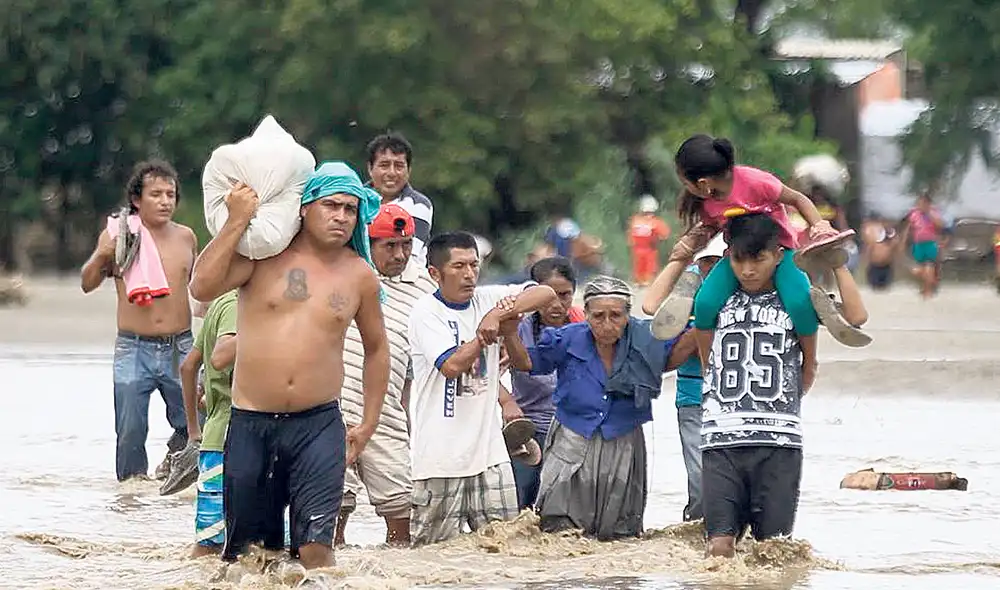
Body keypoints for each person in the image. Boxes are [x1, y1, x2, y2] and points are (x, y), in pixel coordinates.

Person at [188, 161, 391, 569]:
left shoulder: (359, 276)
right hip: (251, 423)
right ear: (304, 207)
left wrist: (368, 425)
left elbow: (377, 348)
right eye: (331, 206)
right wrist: (236, 221)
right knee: (251, 556)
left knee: (317, 550)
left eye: (350, 209)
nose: (341, 217)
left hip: (318, 426)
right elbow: (201, 286)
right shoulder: (263, 256)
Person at [642, 134, 862, 371]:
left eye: (686, 184)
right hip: (735, 257)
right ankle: (710, 367)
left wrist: (818, 227)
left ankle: (809, 363)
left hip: (780, 253)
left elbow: (798, 199)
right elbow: (713, 225)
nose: (686, 191)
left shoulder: (756, 182)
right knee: (705, 304)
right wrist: (690, 243)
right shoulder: (708, 202)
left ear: (703, 183)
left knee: (799, 303)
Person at [406, 231, 558, 546]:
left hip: (491, 454)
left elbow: (544, 293)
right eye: (459, 266)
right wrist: (483, 335)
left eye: (474, 265)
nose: (469, 274)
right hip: (440, 458)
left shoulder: (488, 298)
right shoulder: (425, 313)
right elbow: (451, 367)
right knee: (432, 554)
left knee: (506, 546)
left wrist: (498, 314)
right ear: (435, 273)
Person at [521, 276, 688, 540]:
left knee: (620, 533)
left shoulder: (648, 338)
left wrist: (703, 320)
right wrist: (508, 331)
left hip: (623, 439)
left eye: (616, 316)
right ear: (585, 314)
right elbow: (529, 364)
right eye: (598, 316)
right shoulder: (566, 338)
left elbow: (672, 357)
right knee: (558, 529)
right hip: (572, 438)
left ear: (627, 315)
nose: (607, 325)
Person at [700, 212, 811, 558]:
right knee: (719, 547)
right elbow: (705, 350)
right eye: (739, 260)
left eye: (758, 259)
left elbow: (850, 321)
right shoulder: (716, 302)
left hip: (778, 442)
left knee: (773, 551)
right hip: (721, 439)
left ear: (778, 255)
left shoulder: (795, 300)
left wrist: (838, 263)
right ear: (728, 258)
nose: (748, 270)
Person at [80, 160, 198, 482]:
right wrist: (103, 253)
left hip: (180, 345)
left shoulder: (186, 238)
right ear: (137, 200)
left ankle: (176, 464)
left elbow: (201, 289)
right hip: (134, 347)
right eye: (156, 194)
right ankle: (131, 495)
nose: (165, 201)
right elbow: (87, 283)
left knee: (194, 420)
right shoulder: (120, 236)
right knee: (130, 429)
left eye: (170, 194)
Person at [336, 204, 437, 547]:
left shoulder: (424, 285)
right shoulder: (344, 272)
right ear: (368, 241)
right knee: (333, 511)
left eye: (406, 244)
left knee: (401, 514)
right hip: (332, 408)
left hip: (385, 413)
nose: (400, 254)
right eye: (389, 245)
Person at [508, 256, 585, 510]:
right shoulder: (516, 330)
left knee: (568, 510)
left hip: (575, 431)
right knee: (520, 509)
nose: (557, 304)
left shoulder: (587, 326)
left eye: (565, 295)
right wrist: (505, 402)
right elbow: (482, 375)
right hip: (529, 431)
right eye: (548, 296)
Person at [178, 290, 238, 557]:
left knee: (209, 541)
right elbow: (221, 357)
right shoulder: (238, 306)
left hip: (213, 438)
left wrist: (194, 429)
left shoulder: (220, 304)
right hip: (239, 438)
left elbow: (188, 366)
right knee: (267, 548)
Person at [672, 234, 726, 523]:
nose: (711, 269)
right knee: (700, 480)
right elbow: (664, 330)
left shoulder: (745, 288)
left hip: (734, 399)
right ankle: (696, 529)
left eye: (717, 261)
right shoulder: (687, 289)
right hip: (693, 394)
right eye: (706, 262)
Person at [366, 132, 433, 267]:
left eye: (399, 166)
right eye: (384, 165)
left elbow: (405, 257)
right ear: (370, 168)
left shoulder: (419, 205)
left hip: (406, 282)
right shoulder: (354, 201)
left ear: (409, 170)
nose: (391, 173)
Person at [902, 193, 945, 298]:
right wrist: (903, 240)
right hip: (918, 243)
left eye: (922, 203)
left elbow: (941, 225)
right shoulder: (914, 214)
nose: (920, 205)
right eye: (919, 203)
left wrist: (929, 214)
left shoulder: (933, 213)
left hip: (930, 243)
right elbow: (909, 228)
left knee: (929, 266)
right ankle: (927, 286)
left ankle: (928, 290)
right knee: (920, 268)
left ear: (928, 203)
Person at [627, 195, 671, 287]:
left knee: (645, 270)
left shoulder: (636, 220)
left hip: (645, 249)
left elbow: (631, 237)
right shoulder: (655, 222)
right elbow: (664, 235)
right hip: (645, 249)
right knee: (644, 270)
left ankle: (642, 282)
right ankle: (642, 282)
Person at [860, 214, 902, 291]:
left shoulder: (892, 235)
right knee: (875, 289)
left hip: (886, 266)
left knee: (885, 290)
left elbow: (896, 248)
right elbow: (868, 247)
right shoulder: (873, 233)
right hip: (875, 266)